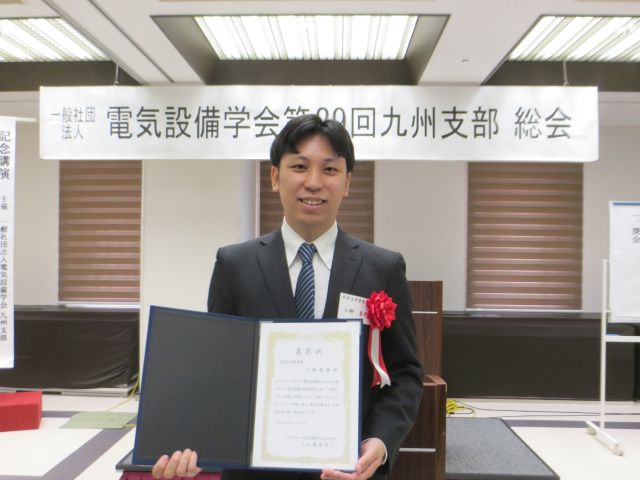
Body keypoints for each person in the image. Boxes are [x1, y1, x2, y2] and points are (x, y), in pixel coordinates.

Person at [152, 114, 423, 480]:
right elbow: (218, 371)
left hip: (348, 471)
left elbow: (405, 372)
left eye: (330, 169)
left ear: (347, 183)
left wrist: (381, 440)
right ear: (275, 177)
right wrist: (191, 441)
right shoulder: (234, 264)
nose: (313, 182)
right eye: (299, 166)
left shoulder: (384, 267)